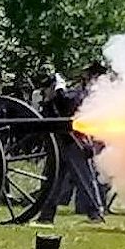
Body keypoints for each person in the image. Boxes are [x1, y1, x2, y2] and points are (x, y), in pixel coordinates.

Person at [33, 72, 105, 225]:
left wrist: (58, 94)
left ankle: (96, 213)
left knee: (85, 180)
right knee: (52, 182)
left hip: (75, 143)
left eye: (48, 88)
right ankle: (46, 216)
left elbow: (71, 110)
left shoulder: (69, 97)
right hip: (59, 144)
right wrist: (48, 101)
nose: (45, 91)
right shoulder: (48, 103)